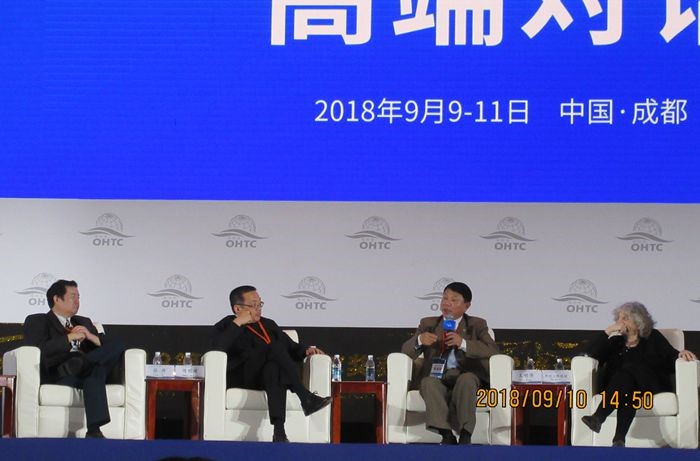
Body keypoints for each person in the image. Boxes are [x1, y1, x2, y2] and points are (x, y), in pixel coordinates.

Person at [211, 285, 332, 442]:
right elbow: (217, 349)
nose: (258, 309)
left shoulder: (268, 324)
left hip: (266, 378)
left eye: (260, 304)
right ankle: (305, 396)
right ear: (237, 308)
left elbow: (291, 347)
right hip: (242, 376)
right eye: (253, 305)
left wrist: (306, 350)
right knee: (274, 348)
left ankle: (279, 431)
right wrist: (238, 322)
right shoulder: (226, 325)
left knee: (274, 369)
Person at [581, 301, 697, 447]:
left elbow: (670, 356)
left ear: (638, 321)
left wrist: (681, 353)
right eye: (618, 318)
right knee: (628, 390)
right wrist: (608, 331)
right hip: (622, 390)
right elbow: (590, 353)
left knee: (629, 370)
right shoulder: (615, 341)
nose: (619, 322)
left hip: (649, 385)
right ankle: (619, 439)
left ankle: (599, 417)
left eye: (624, 318)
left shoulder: (653, 337)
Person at [23, 279, 125, 438]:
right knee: (95, 374)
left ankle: (84, 363)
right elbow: (39, 349)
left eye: (79, 297)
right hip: (62, 373)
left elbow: (108, 347)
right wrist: (69, 338)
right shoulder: (38, 320)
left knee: (117, 345)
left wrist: (90, 336)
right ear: (57, 299)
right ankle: (94, 431)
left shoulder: (84, 322)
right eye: (73, 297)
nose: (77, 301)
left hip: (86, 364)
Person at [401, 281, 499, 445]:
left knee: (467, 380)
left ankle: (466, 433)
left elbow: (493, 350)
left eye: (454, 300)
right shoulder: (428, 324)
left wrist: (463, 343)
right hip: (437, 377)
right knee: (428, 382)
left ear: (466, 306)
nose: (447, 303)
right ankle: (446, 434)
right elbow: (405, 351)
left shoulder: (477, 324)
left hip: (466, 375)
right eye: (445, 298)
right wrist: (419, 340)